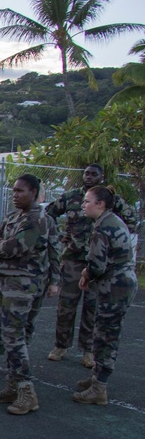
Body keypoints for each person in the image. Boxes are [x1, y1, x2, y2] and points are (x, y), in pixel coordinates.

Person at [45, 164, 137, 368]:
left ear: (101, 177)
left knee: (92, 307)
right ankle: (61, 345)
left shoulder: (109, 201)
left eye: (93, 174)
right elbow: (49, 213)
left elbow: (132, 220)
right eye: (86, 173)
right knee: (66, 305)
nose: (88, 177)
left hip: (99, 264)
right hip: (73, 260)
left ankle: (87, 350)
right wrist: (59, 236)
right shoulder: (71, 197)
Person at [0, 174, 55, 415]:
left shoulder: (37, 220)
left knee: (15, 337)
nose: (15, 195)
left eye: (20, 191)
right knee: (10, 336)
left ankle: (26, 391)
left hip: (23, 286)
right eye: (13, 191)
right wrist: (1, 245)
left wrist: (1, 245)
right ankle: (13, 386)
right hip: (7, 282)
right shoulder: (14, 217)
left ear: (34, 193)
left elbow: (16, 247)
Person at [72, 185, 139, 405]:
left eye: (87, 201)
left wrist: (85, 273)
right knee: (102, 332)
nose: (83, 205)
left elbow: (97, 265)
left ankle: (100, 387)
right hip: (119, 284)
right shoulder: (111, 221)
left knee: (106, 336)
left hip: (115, 287)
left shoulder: (102, 228)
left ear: (100, 204)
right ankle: (96, 378)